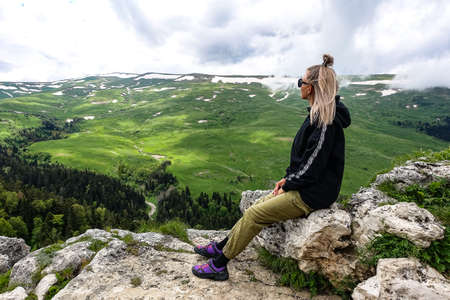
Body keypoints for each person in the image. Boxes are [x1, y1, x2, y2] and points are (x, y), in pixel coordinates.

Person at [192, 54, 351, 281]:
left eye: (301, 82)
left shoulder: (326, 122)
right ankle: (220, 247)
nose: (299, 86)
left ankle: (219, 265)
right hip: (306, 186)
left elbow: (313, 166)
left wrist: (292, 183)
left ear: (312, 88)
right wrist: (287, 180)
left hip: (313, 194)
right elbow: (306, 160)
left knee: (256, 214)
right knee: (255, 206)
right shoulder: (321, 115)